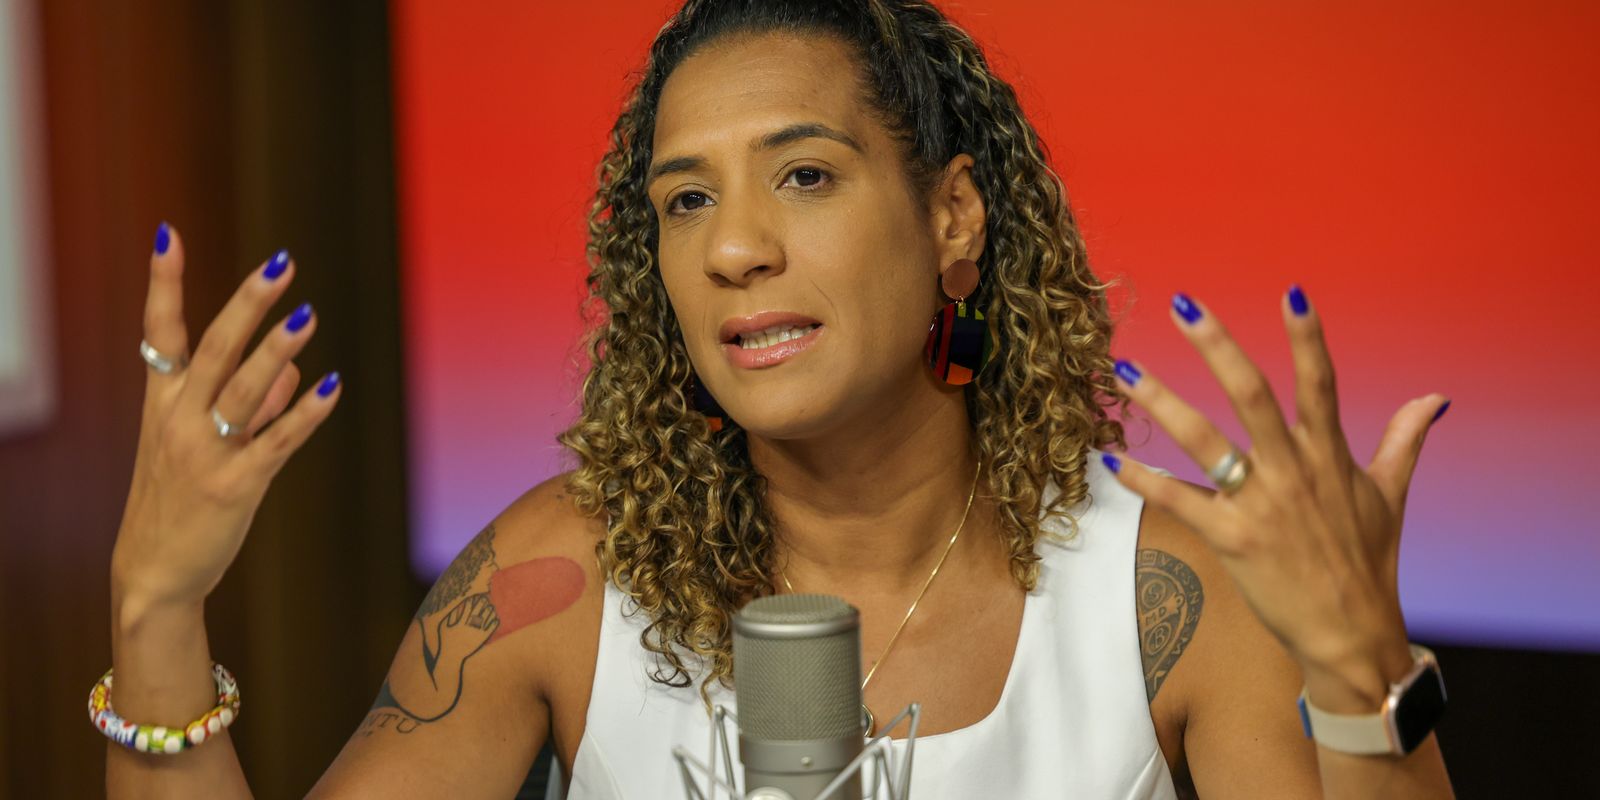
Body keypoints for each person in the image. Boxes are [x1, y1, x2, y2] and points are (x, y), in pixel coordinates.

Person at [104, 0, 1457, 797]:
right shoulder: (557, 579)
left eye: (804, 176)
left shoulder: (1175, 596)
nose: (735, 247)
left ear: (953, 217)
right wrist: (157, 609)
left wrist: (1362, 677)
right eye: (686, 200)